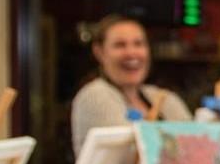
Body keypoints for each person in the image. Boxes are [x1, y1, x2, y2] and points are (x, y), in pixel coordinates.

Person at [69, 14, 192, 156]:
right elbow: (133, 154)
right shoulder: (94, 96)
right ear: (99, 52)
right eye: (120, 45)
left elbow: (196, 143)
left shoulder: (164, 98)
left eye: (138, 44)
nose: (131, 53)